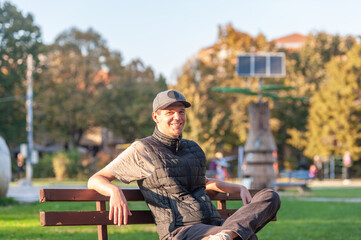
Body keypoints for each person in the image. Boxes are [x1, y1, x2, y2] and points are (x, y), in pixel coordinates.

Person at [88, 89, 280, 240]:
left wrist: (237, 188)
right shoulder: (142, 149)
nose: (177, 117)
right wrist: (114, 191)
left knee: (269, 195)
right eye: (169, 112)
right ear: (156, 117)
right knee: (246, 237)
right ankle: (225, 236)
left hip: (214, 226)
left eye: (181, 112)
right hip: (181, 232)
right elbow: (96, 179)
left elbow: (201, 181)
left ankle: (224, 236)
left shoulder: (193, 149)